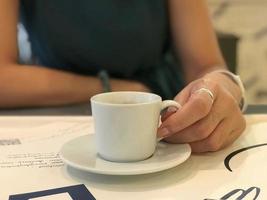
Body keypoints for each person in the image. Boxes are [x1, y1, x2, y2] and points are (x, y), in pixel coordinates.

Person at [0, 0, 246, 152]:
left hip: (161, 114)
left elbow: (208, 65)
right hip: (56, 112)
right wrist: (113, 88)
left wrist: (226, 85)